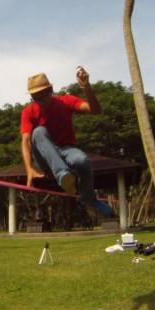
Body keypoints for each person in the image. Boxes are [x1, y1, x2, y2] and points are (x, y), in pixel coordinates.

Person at [20, 67, 114, 217]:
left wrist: (86, 87)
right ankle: (62, 174)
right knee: (38, 131)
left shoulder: (66, 101)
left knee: (83, 160)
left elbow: (95, 111)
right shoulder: (28, 111)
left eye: (44, 95)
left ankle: (89, 198)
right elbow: (25, 140)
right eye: (36, 97)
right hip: (45, 157)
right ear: (32, 97)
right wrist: (29, 169)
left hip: (66, 150)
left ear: (51, 90)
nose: (42, 100)